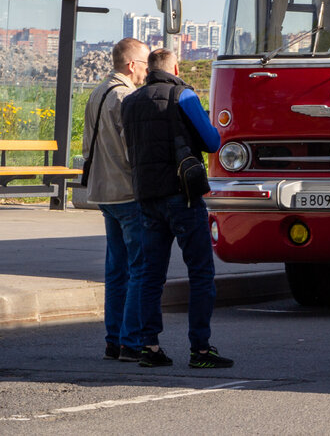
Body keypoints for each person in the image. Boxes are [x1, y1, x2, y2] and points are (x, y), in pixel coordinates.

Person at [121, 49, 232, 369]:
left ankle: (149, 347)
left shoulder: (131, 101)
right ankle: (200, 350)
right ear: (175, 67)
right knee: (200, 272)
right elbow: (212, 142)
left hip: (147, 197)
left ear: (149, 69)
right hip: (182, 197)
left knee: (148, 275)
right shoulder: (182, 95)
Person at [83, 37, 150, 362]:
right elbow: (131, 151)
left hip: (103, 191)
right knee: (139, 268)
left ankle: (113, 339)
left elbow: (87, 146)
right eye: (145, 64)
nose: (147, 71)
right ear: (131, 65)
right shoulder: (126, 97)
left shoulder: (97, 92)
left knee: (116, 268)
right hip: (127, 192)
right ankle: (131, 341)